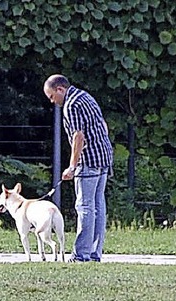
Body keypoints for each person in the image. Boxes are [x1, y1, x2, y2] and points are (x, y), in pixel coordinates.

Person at [43, 74, 113, 262]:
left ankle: (81, 255)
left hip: (89, 160)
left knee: (85, 207)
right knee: (98, 206)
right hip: (104, 156)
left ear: (60, 89)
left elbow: (78, 137)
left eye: (51, 96)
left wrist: (72, 166)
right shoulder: (85, 96)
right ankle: (94, 253)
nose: (52, 101)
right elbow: (103, 126)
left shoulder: (71, 105)